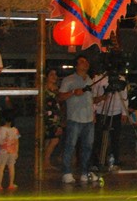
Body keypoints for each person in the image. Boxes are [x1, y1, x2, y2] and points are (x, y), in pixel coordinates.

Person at [58, 55, 101, 184]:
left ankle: (85, 172)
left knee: (88, 147)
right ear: (76, 65)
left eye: (86, 61)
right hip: (75, 118)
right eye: (82, 62)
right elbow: (60, 97)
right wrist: (73, 92)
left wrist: (101, 100)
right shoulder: (68, 80)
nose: (85, 64)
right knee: (70, 146)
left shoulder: (90, 80)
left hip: (88, 119)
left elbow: (91, 99)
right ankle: (66, 172)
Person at [0, 110, 20, 191]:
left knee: (1, 168)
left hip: (2, 151)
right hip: (12, 151)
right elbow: (17, 142)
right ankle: (11, 184)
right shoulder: (15, 130)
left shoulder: (0, 130)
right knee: (11, 168)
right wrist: (17, 151)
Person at [43, 69, 64, 168]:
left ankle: (46, 160)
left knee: (51, 139)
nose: (54, 77)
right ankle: (46, 160)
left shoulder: (57, 89)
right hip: (47, 116)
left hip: (55, 115)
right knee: (54, 139)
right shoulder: (44, 88)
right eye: (51, 75)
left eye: (55, 75)